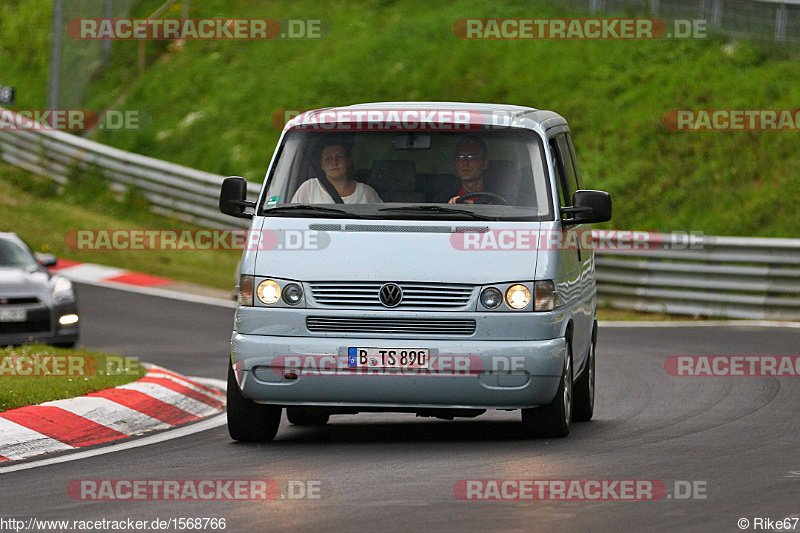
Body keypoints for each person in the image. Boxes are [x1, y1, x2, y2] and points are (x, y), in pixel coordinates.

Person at [291, 142, 381, 204]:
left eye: (339, 157)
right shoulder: (309, 188)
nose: (334, 163)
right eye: (328, 159)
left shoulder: (366, 192)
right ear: (322, 165)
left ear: (348, 162)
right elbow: (293, 221)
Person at [432, 135, 492, 204]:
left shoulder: (498, 193)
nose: (465, 163)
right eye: (460, 157)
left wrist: (473, 204)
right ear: (455, 163)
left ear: (484, 164)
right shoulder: (444, 196)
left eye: (471, 157)